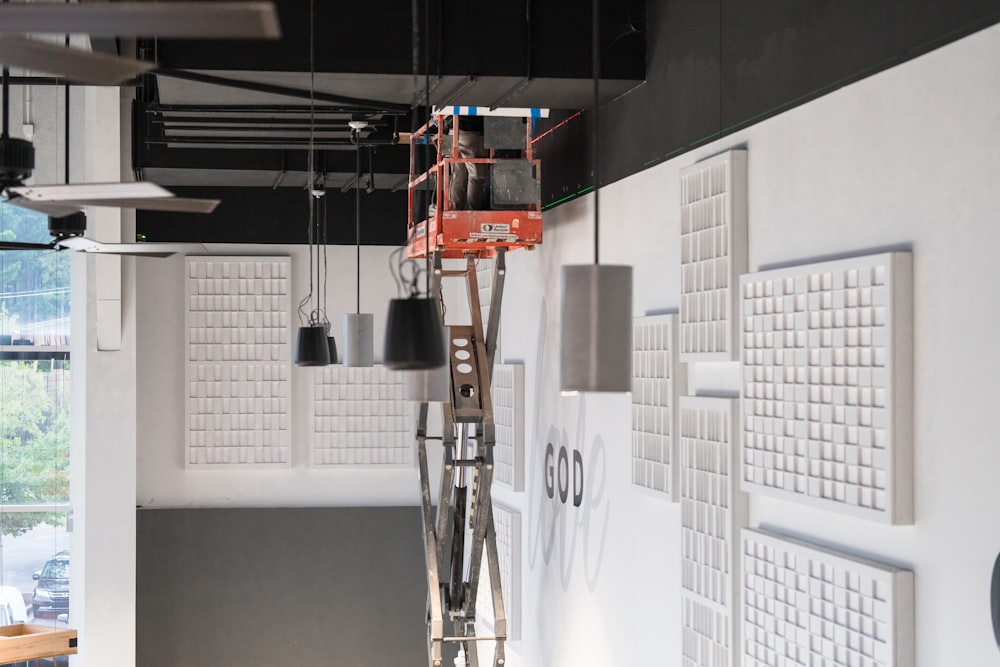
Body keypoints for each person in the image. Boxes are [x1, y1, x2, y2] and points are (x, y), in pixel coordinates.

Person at [447, 114, 487, 210]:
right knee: (476, 175)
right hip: (470, 130)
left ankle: (454, 208)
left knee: (458, 174)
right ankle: (474, 210)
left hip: (452, 131)